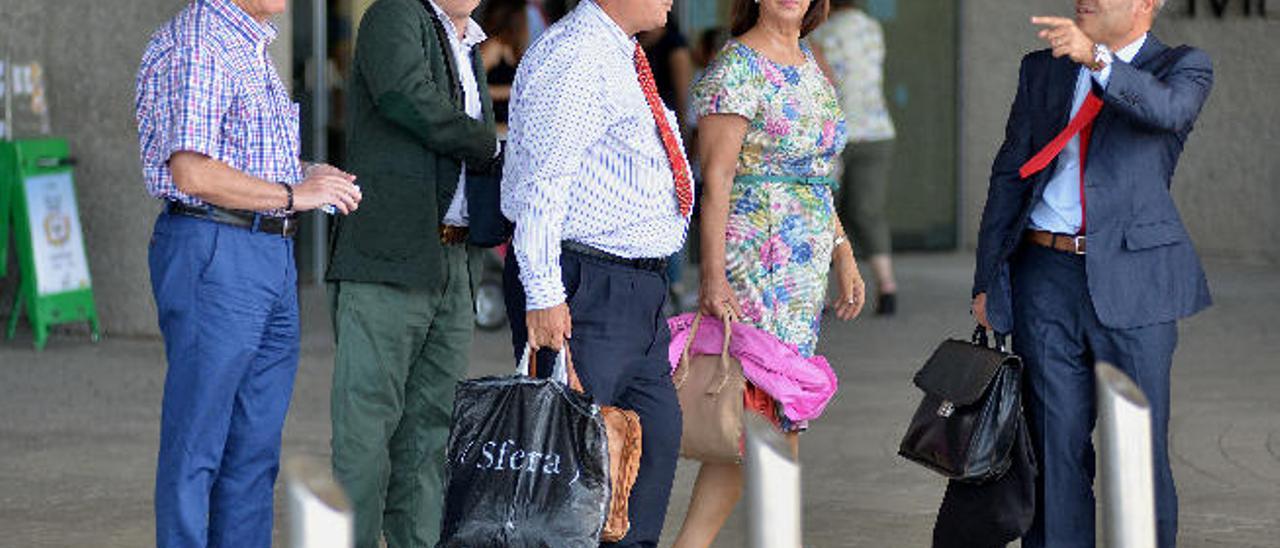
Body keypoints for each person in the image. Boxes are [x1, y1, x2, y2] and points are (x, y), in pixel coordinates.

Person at [971, 1, 1212, 546]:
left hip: (1136, 280)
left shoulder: (1182, 66)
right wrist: (988, 278)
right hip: (1043, 274)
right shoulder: (1043, 67)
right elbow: (1009, 172)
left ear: (1146, 4)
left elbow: (1167, 111)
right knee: (1053, 449)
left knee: (1138, 446)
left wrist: (1098, 60)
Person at [134, 0, 362, 545]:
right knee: (200, 443)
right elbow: (191, 170)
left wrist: (305, 173)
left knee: (254, 448)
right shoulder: (201, 43)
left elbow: (236, 154)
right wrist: (292, 192)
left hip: (265, 252)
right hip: (216, 247)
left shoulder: (251, 41)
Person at [675, 0, 864, 545]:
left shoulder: (808, 59)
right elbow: (717, 178)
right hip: (756, 257)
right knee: (768, 409)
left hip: (803, 268)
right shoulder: (736, 66)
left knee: (762, 417)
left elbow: (814, 176)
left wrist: (842, 251)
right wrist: (712, 276)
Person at [499, 0, 688, 545]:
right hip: (586, 283)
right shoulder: (580, 54)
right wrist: (543, 295)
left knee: (645, 449)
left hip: (636, 289)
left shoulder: (619, 50)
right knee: (574, 472)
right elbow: (543, 182)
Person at [324, 0, 499, 545]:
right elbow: (407, 98)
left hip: (452, 258)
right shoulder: (395, 13)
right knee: (366, 434)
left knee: (429, 438)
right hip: (387, 258)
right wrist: (489, 142)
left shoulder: (468, 39)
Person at [810, 0, 900, 315]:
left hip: (834, 131)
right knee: (869, 211)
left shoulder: (819, 32)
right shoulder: (872, 28)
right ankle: (887, 288)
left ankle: (817, 294)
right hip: (877, 129)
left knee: (821, 209)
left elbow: (822, 78)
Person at [480, 0, 529, 131]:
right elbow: (472, 87)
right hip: (493, 130)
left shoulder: (514, 49)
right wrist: (511, 91)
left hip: (508, 131)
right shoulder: (493, 46)